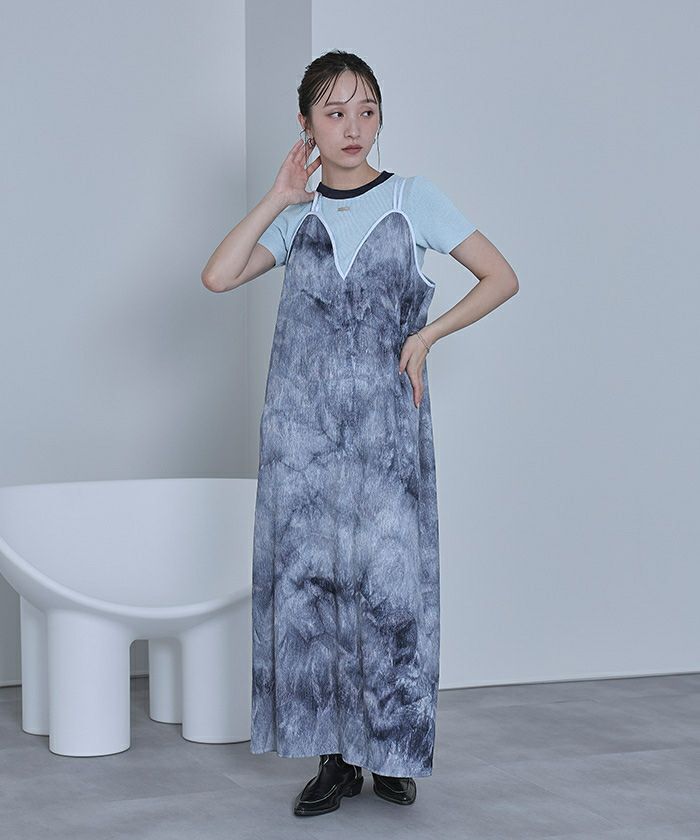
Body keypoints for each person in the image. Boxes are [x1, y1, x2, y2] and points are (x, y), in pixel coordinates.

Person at [201, 50, 518, 818]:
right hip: (302, 448)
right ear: (306, 123)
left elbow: (501, 276)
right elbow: (218, 275)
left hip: (385, 444)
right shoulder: (298, 215)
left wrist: (427, 336)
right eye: (335, 112)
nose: (353, 127)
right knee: (312, 599)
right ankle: (334, 761)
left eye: (366, 110)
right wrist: (278, 195)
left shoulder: (413, 199)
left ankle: (392, 752)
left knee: (388, 595)